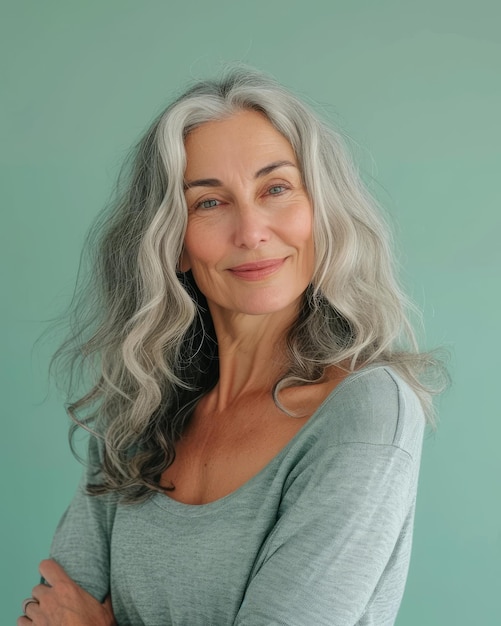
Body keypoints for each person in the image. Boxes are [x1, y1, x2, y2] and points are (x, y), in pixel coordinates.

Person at [20, 68, 445, 626]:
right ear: (172, 241)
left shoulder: (366, 410)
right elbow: (53, 609)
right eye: (209, 203)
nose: (251, 231)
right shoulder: (139, 416)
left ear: (321, 211)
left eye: (275, 189)